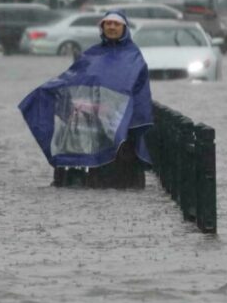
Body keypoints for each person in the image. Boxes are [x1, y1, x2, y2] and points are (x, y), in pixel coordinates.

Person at [18, 10, 153, 189]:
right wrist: (49, 91)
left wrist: (134, 120)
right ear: (102, 27)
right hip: (89, 122)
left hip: (121, 125)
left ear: (124, 28)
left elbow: (139, 90)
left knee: (120, 170)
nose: (111, 27)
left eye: (116, 24)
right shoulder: (92, 54)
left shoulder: (133, 56)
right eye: (108, 23)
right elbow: (72, 78)